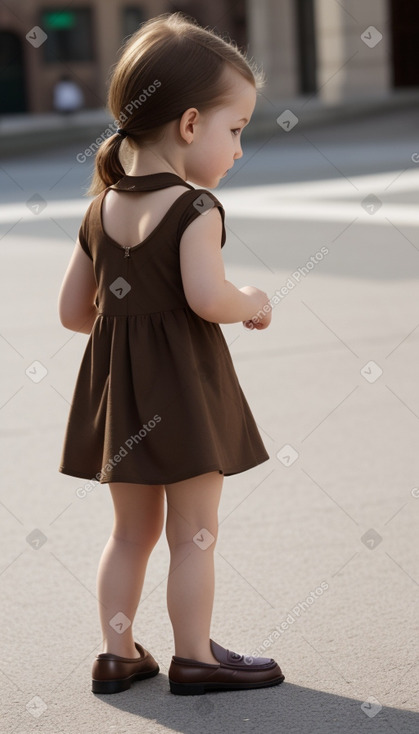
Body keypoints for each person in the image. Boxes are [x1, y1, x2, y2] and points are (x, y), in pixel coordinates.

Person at [58, 12, 284, 696]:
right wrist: (252, 297)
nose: (238, 148)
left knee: (131, 533)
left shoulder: (100, 210)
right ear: (190, 125)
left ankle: (118, 654)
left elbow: (73, 314)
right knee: (195, 532)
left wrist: (129, 313)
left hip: (120, 395)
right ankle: (194, 657)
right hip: (182, 394)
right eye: (235, 129)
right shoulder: (195, 208)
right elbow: (206, 295)